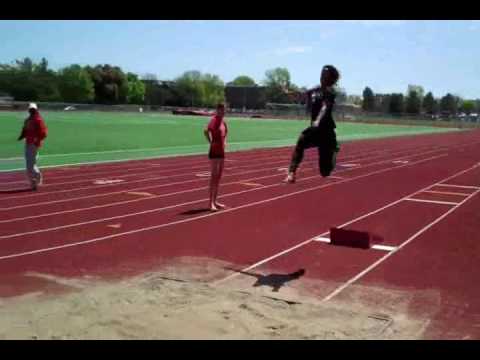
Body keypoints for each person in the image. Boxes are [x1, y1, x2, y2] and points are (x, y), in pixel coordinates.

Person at [285, 65, 341, 183]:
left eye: (325, 76)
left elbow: (325, 107)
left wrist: (318, 120)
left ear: (331, 79)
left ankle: (334, 152)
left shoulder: (330, 93)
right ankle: (291, 173)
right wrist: (289, 92)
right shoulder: (314, 90)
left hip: (327, 133)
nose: (322, 77)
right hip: (315, 130)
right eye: (322, 75)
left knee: (325, 172)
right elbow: (301, 95)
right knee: (301, 140)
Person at [17, 103, 48, 190]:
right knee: (30, 163)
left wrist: (37, 140)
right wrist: (22, 136)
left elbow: (44, 133)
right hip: (28, 143)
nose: (31, 111)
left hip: (34, 144)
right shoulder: (27, 120)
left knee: (30, 165)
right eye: (30, 109)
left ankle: (36, 179)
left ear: (36, 110)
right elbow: (25, 129)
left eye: (33, 109)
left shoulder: (38, 120)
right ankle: (34, 182)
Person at [204, 103, 228, 211]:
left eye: (224, 110)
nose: (223, 112)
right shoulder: (214, 120)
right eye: (221, 110)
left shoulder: (224, 122)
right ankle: (210, 203)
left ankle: (215, 201)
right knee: (213, 177)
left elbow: (225, 133)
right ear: (217, 110)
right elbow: (206, 131)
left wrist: (225, 142)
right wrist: (210, 142)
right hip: (214, 152)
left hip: (222, 152)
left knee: (218, 177)